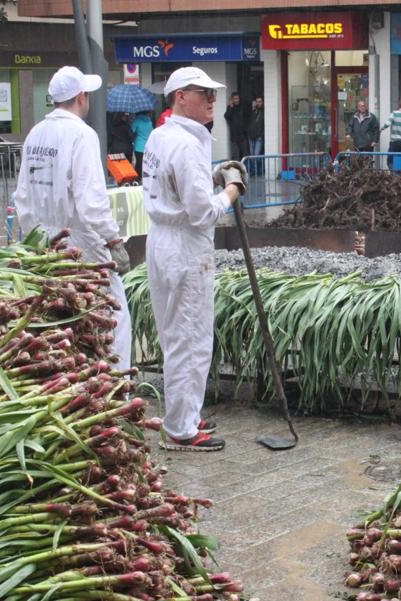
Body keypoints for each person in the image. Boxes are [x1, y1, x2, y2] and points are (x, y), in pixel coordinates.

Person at [141, 67, 246, 452]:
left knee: (175, 335)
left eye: (213, 94)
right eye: (204, 94)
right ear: (181, 96)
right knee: (191, 337)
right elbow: (202, 211)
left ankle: (185, 412)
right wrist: (232, 189)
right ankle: (182, 429)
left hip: (163, 240)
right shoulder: (185, 144)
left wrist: (211, 175)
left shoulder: (160, 136)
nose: (212, 101)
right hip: (185, 246)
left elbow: (177, 185)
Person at [13, 66, 132, 373]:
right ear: (82, 97)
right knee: (111, 314)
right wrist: (113, 240)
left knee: (60, 318)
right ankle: (115, 383)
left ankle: (71, 377)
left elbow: (22, 196)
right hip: (81, 244)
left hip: (44, 242)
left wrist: (35, 241)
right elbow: (91, 201)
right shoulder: (82, 134)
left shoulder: (35, 134)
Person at [381, 100, 401, 168]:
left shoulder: (394, 113)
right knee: (400, 160)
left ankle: (393, 175)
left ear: (398, 106)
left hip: (395, 142)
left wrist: (381, 129)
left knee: (390, 161)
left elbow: (387, 124)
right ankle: (400, 176)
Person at [224, 92, 249, 161]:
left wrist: (245, 129)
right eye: (235, 99)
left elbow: (247, 117)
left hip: (243, 135)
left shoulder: (243, 107)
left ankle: (245, 170)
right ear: (232, 100)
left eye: (237, 98)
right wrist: (231, 108)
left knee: (245, 155)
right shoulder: (230, 108)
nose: (236, 100)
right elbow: (227, 117)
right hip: (234, 136)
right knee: (236, 156)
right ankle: (237, 170)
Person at [131, 110, 153, 178]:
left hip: (139, 145)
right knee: (146, 163)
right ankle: (146, 176)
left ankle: (139, 177)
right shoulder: (149, 121)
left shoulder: (137, 120)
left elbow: (132, 130)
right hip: (148, 145)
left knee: (139, 163)